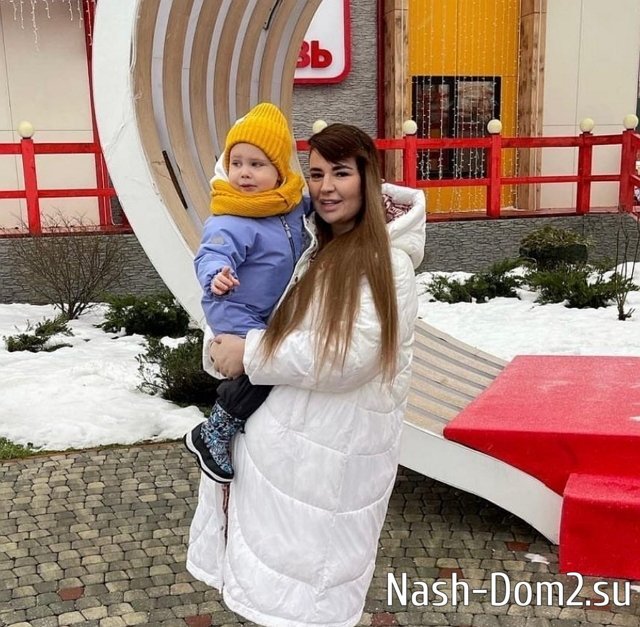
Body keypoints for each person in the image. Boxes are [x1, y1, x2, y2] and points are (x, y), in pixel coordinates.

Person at [186, 123, 426, 627]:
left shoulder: (386, 263)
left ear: (368, 177)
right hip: (281, 465)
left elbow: (349, 357)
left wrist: (250, 354)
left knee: (309, 605)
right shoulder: (309, 243)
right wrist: (224, 348)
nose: (326, 187)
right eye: (315, 174)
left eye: (341, 173)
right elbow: (260, 315)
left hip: (324, 472)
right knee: (270, 600)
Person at [184, 102, 308, 483]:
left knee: (268, 359)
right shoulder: (232, 216)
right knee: (262, 365)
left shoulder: (288, 205)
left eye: (256, 164)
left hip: (264, 309)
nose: (244, 173)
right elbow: (212, 253)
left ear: (279, 170)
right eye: (236, 163)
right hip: (232, 305)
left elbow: (317, 210)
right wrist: (216, 275)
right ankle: (215, 429)